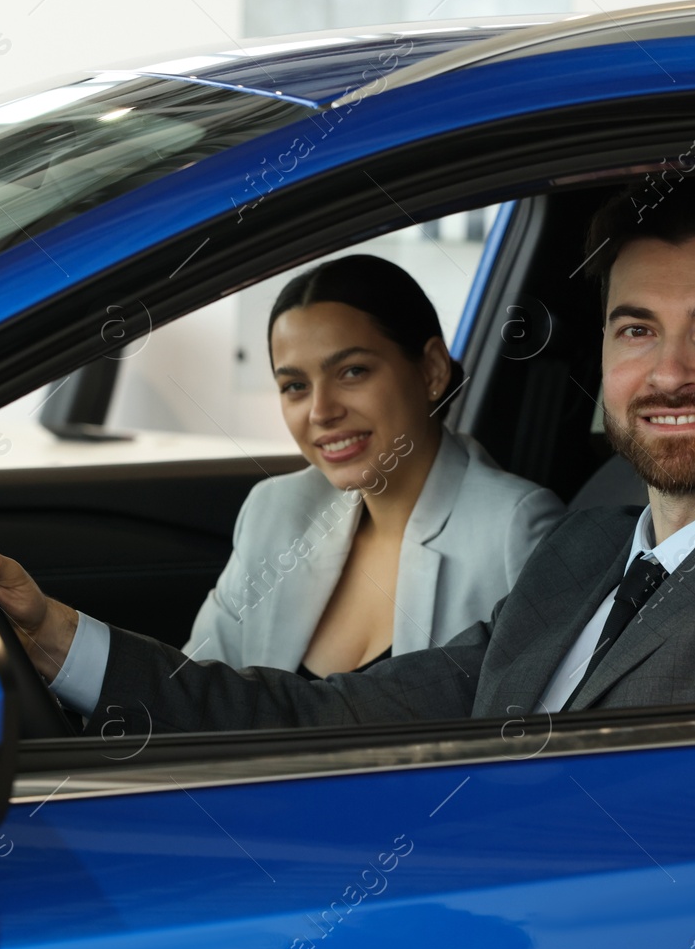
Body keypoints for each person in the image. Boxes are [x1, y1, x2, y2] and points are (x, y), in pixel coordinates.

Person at [0, 173, 695, 732]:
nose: (670, 371)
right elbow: (338, 716)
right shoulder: (595, 541)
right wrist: (54, 633)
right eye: (635, 329)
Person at [185, 255, 564, 677]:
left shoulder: (516, 532)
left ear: (433, 370)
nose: (321, 411)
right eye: (295, 386)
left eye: (352, 371)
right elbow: (194, 692)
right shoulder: (275, 511)